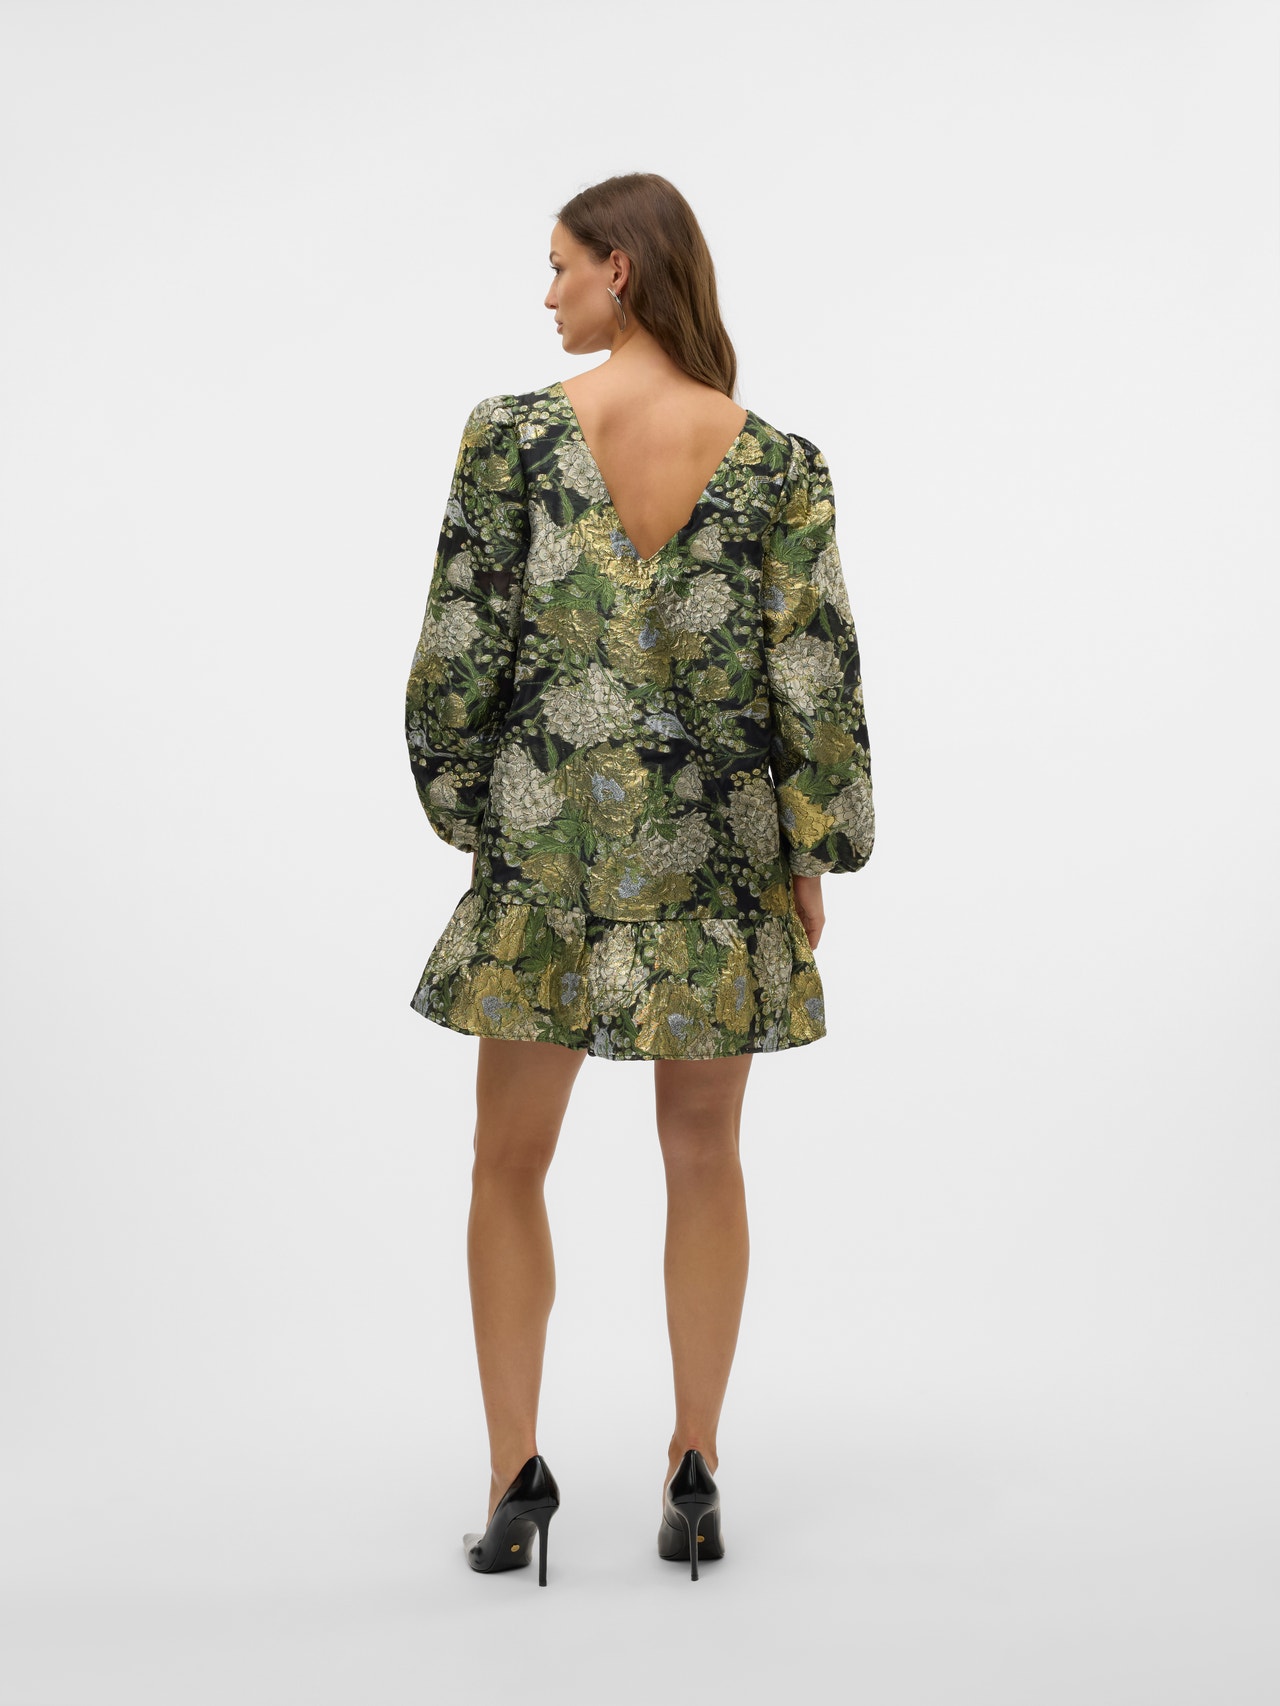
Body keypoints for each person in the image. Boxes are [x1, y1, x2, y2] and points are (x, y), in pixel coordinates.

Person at [404, 173, 875, 1584]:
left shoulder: (511, 442)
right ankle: (694, 1468)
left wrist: (476, 813)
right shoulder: (779, 464)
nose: (545, 292)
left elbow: (456, 659)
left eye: (559, 265)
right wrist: (811, 848)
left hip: (546, 862)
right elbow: (814, 675)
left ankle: (515, 1479)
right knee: (706, 1157)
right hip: (721, 865)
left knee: (506, 1161)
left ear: (620, 268)